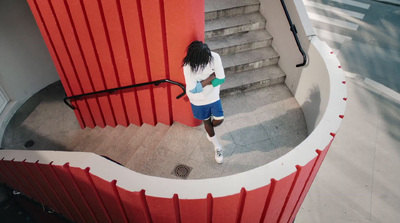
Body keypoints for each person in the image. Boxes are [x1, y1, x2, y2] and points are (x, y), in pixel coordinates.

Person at [182, 41, 226, 164]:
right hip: (198, 99)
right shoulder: (188, 66)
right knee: (206, 121)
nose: (207, 61)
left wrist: (202, 84)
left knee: (220, 119)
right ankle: (217, 146)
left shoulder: (214, 57)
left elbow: (221, 79)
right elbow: (193, 89)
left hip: (213, 96)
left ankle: (209, 132)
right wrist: (211, 78)